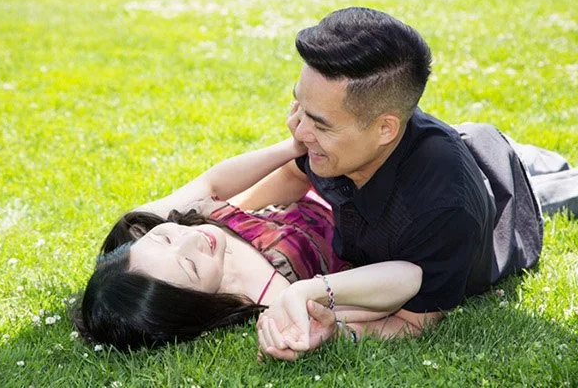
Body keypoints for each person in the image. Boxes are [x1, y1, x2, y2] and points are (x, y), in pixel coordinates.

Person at [255, 6, 578, 360]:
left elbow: (412, 322)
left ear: (385, 129)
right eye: (298, 106)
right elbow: (293, 174)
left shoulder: (444, 211)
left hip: (504, 193)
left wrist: (336, 333)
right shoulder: (334, 142)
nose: (298, 131)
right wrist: (225, 216)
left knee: (555, 191)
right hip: (454, 146)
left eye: (320, 124)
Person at [76, 135, 423, 351]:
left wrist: (295, 146)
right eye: (189, 265)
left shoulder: (146, 229)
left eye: (166, 236)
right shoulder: (275, 301)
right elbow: (409, 276)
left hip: (323, 181)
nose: (192, 238)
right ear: (195, 304)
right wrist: (307, 293)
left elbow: (212, 183)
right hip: (381, 211)